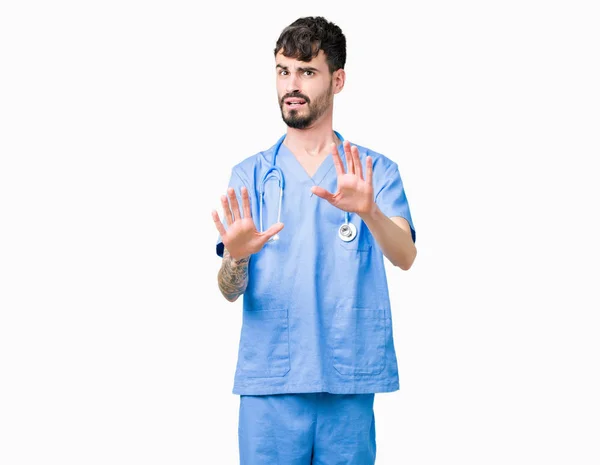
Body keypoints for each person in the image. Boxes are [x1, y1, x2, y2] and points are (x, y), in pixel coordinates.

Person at [212, 16, 417, 465]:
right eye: (284, 71)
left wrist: (370, 212)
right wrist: (238, 259)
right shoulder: (250, 177)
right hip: (271, 384)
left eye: (307, 71)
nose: (292, 84)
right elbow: (229, 289)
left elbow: (405, 255)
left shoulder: (373, 171)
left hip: (346, 379)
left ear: (337, 79)